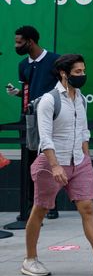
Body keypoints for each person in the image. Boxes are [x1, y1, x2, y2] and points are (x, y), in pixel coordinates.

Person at [21, 54, 93, 276]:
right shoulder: (49, 100)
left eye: (83, 71)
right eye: (77, 72)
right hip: (51, 163)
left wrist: (86, 160)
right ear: (63, 73)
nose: (82, 75)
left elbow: (83, 132)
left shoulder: (81, 99)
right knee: (40, 210)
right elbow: (45, 138)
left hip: (79, 161)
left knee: (88, 208)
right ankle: (30, 260)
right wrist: (55, 165)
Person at [8, 26, 61, 221]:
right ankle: (32, 205)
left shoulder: (55, 60)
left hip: (50, 119)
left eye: (19, 42)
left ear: (30, 41)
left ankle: (52, 206)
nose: (16, 45)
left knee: (49, 162)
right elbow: (29, 91)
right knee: (31, 163)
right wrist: (19, 94)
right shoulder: (23, 65)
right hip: (28, 120)